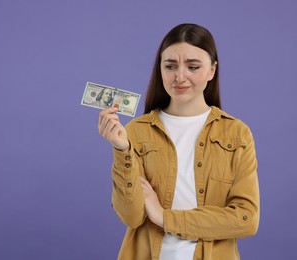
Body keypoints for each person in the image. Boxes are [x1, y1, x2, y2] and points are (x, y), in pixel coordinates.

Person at [98, 23, 259, 260]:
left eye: (193, 66)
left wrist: (165, 217)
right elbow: (131, 217)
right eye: (170, 66)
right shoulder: (136, 131)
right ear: (160, 69)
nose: (179, 77)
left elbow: (246, 219)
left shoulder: (237, 133)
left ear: (212, 70)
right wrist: (122, 149)